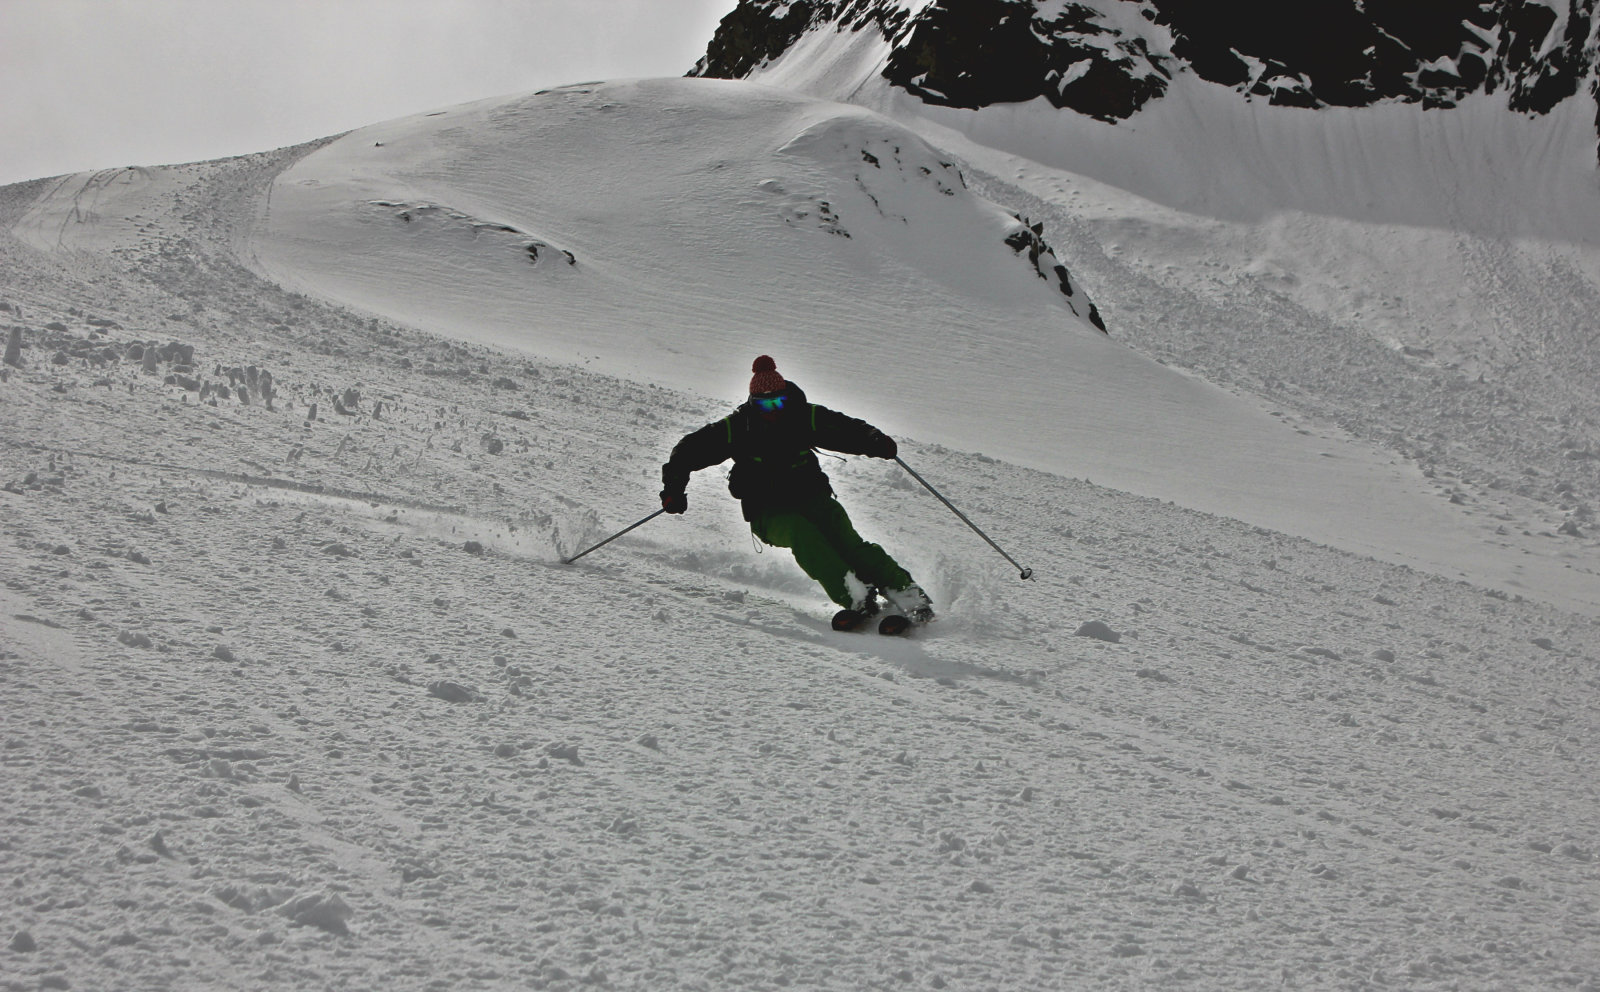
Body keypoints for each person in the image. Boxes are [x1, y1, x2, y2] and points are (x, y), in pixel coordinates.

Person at [659, 356, 934, 629]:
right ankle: (857, 598)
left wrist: (874, 440)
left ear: (786, 397)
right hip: (768, 511)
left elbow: (844, 428)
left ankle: (908, 594)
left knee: (848, 542)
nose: (773, 410)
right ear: (753, 403)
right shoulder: (738, 428)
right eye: (764, 405)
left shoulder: (803, 416)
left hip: (812, 497)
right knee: (805, 536)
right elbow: (689, 450)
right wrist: (673, 489)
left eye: (778, 402)